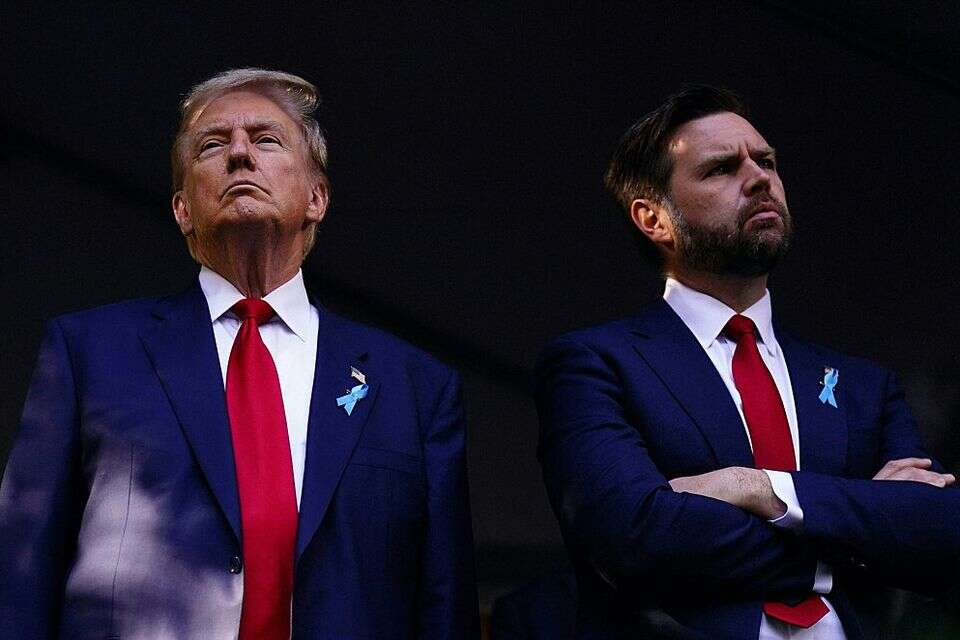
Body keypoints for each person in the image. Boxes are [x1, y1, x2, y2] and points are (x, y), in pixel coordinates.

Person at [0, 68, 479, 639]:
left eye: (267, 140)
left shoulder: (415, 387)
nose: (239, 155)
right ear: (182, 209)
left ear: (317, 198)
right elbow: (19, 576)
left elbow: (445, 604)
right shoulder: (89, 353)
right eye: (212, 145)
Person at [535, 85, 960, 639]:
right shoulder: (594, 365)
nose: (760, 179)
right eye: (721, 169)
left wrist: (761, 488)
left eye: (766, 161)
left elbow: (941, 532)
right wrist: (861, 531)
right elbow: (632, 538)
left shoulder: (864, 385)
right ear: (654, 218)